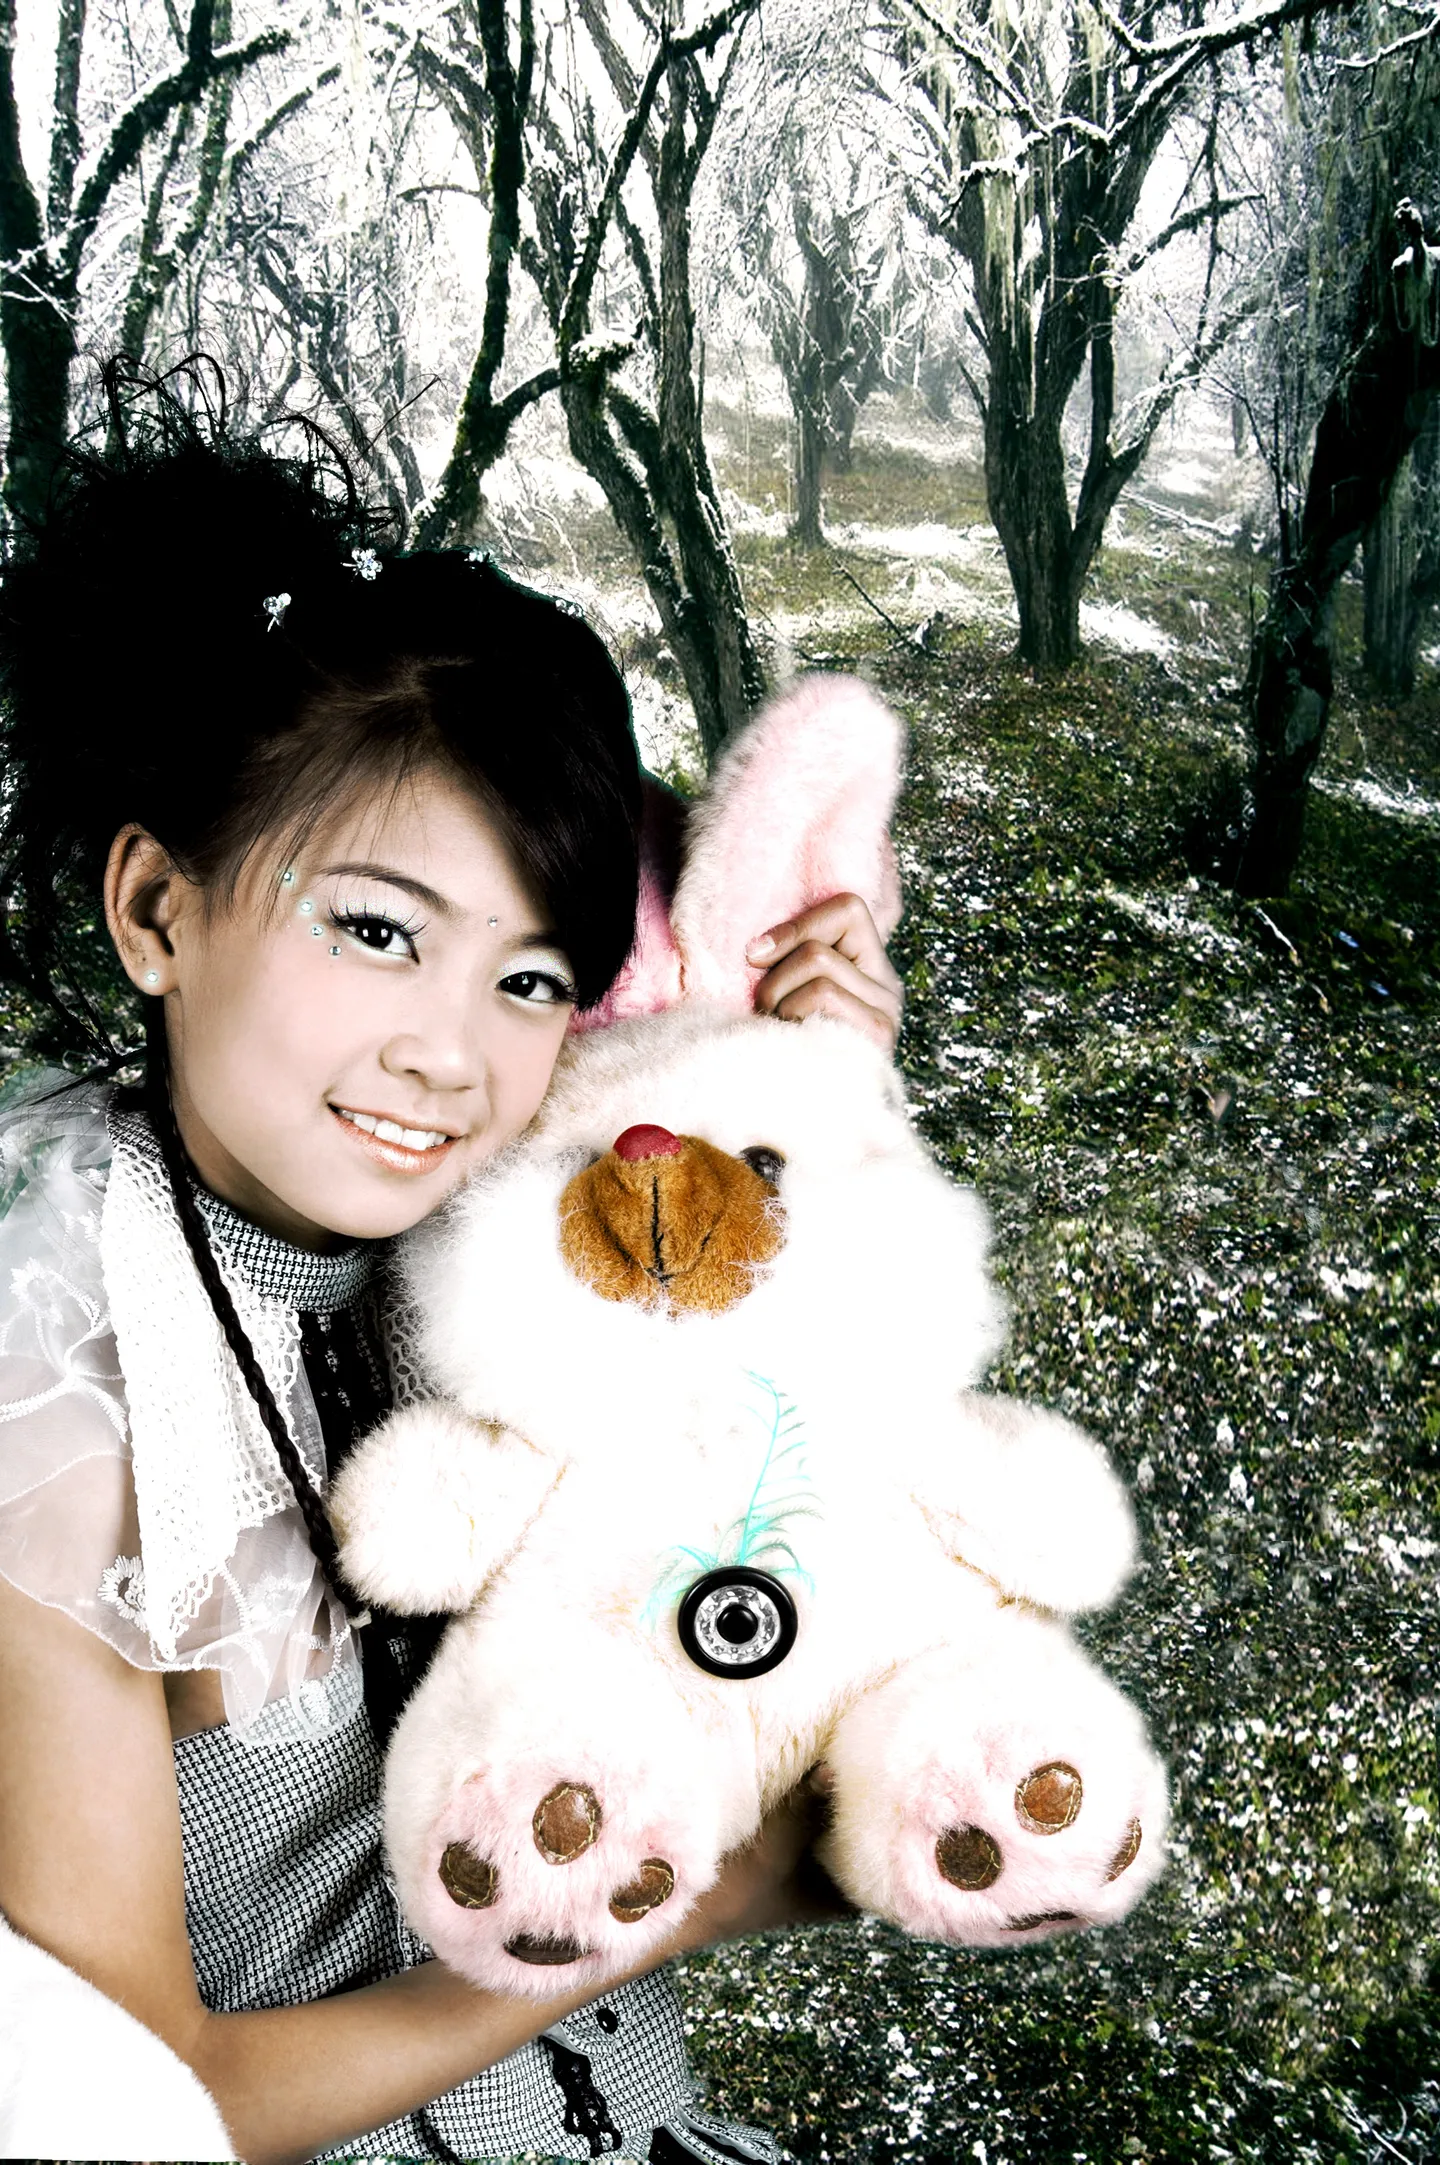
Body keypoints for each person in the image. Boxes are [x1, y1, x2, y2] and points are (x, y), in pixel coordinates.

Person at [0, 368, 902, 2165]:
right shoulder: (52, 1379)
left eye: (530, 976)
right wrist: (691, 1906)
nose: (448, 1055)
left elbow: (803, 1519)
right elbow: (134, 2111)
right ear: (157, 908)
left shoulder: (497, 1205)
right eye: (375, 930)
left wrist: (817, 1100)